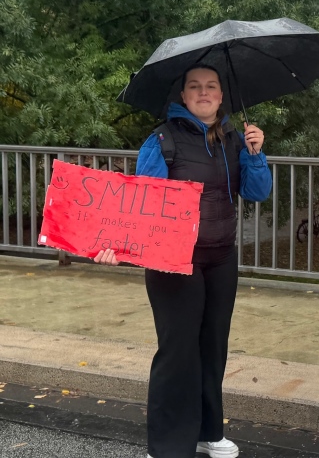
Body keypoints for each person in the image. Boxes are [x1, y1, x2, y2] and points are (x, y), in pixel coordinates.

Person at [95, 63, 272, 458]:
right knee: (178, 352)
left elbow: (257, 193)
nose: (203, 92)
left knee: (213, 347)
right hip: (174, 261)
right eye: (195, 86)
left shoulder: (235, 139)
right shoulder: (162, 140)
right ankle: (168, 446)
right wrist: (118, 247)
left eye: (211, 86)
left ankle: (209, 432)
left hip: (221, 257)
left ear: (222, 96)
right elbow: (140, 206)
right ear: (183, 96)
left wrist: (255, 154)